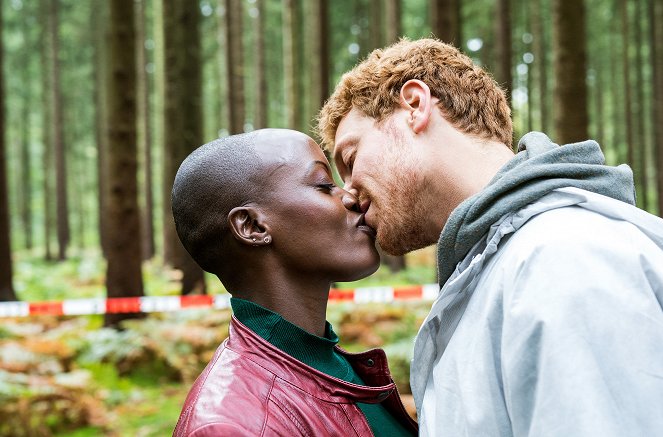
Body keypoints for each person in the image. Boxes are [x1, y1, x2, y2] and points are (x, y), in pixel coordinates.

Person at [317, 37, 663, 436]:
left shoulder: (562, 260)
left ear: (414, 106)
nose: (349, 194)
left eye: (351, 157)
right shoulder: (505, 266)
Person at [171, 128, 417, 436]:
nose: (351, 196)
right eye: (324, 186)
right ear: (252, 226)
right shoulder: (232, 425)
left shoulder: (334, 367)